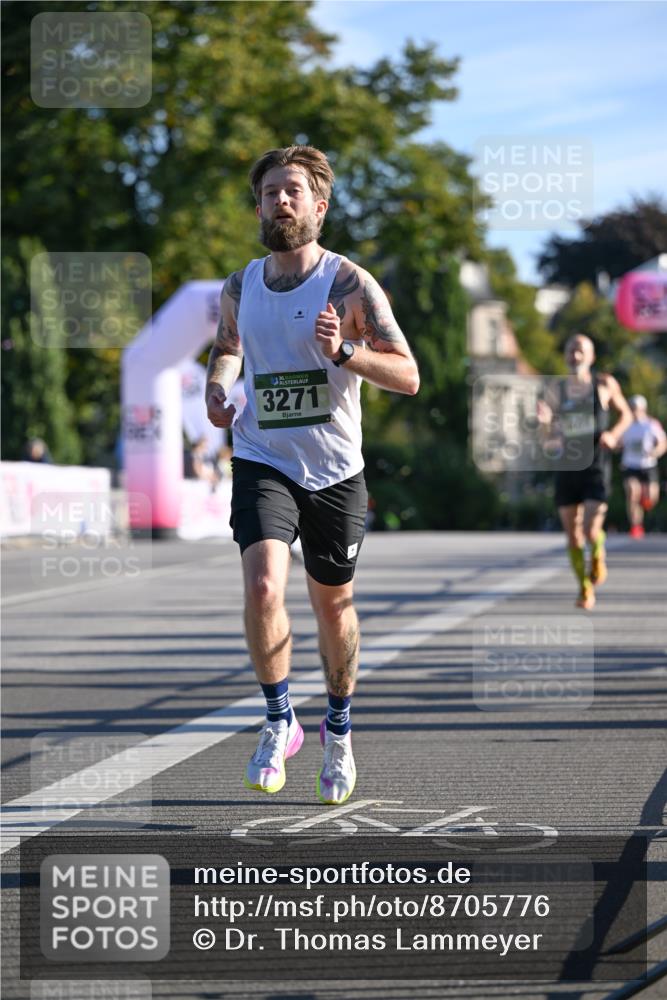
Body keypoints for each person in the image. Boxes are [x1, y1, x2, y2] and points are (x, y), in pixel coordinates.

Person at [206, 145, 419, 805]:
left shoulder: (348, 283)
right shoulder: (240, 285)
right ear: (259, 204)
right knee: (265, 584)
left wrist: (346, 351)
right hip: (262, 457)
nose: (281, 201)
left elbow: (408, 375)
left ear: (318, 207)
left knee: (332, 604)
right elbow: (228, 347)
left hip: (333, 471)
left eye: (293, 190)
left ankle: (339, 728)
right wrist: (216, 389)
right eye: (270, 192)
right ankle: (278, 720)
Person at [537, 334, 632, 610]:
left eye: (580, 351)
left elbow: (625, 414)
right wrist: (544, 423)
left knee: (591, 530)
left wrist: (613, 435)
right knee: (573, 536)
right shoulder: (556, 390)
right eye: (570, 350)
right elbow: (549, 437)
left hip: (595, 467)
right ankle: (584, 588)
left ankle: (598, 552)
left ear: (591, 356)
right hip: (567, 468)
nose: (574, 355)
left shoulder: (604, 384)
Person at [618, 395, 666, 538]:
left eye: (636, 409)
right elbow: (617, 442)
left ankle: (645, 503)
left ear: (643, 409)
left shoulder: (651, 424)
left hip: (648, 465)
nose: (633, 412)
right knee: (633, 492)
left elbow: (663, 443)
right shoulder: (624, 425)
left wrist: (655, 452)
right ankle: (636, 526)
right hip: (629, 465)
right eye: (631, 408)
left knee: (650, 498)